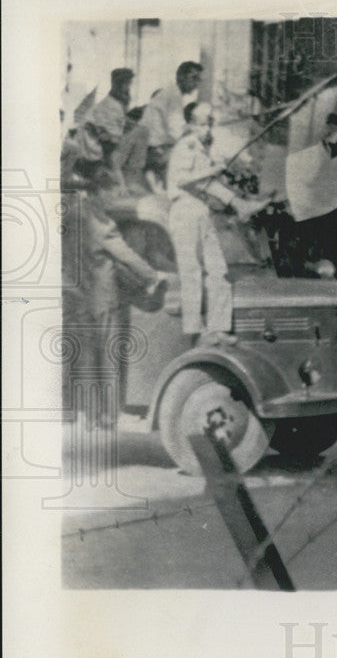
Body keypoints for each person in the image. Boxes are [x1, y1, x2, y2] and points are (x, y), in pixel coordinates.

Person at [61, 143, 167, 428]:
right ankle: (108, 415)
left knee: (85, 358)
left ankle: (89, 415)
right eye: (111, 193)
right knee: (108, 359)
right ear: (99, 192)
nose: (113, 198)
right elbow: (124, 252)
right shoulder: (96, 218)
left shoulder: (70, 212)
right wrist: (152, 276)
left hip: (77, 297)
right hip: (103, 298)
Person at [166, 101, 267, 346]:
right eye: (203, 123)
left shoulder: (200, 148)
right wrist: (212, 171)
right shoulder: (185, 146)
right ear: (191, 124)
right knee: (191, 273)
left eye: (210, 122)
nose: (208, 128)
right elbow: (180, 180)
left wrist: (235, 200)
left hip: (201, 210)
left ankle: (218, 327)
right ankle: (196, 331)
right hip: (184, 212)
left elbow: (207, 185)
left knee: (218, 270)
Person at [139, 61, 203, 185]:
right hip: (153, 152)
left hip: (151, 148)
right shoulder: (173, 96)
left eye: (199, 80)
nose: (196, 84)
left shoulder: (171, 92)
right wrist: (197, 130)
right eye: (193, 78)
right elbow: (177, 131)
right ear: (180, 77)